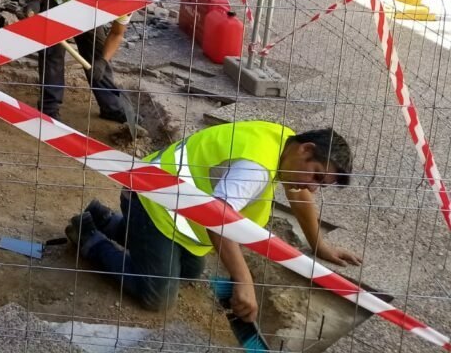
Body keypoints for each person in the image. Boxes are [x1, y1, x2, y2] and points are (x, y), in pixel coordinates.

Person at [66, 122, 360, 320]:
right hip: (152, 201)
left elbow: (299, 195)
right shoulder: (256, 168)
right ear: (306, 150)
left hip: (167, 202)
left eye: (322, 183)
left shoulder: (284, 141)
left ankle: (107, 220)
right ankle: (89, 236)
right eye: (317, 176)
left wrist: (320, 245)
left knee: (189, 273)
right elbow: (215, 217)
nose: (312, 187)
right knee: (157, 297)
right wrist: (243, 279)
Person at [32, 0, 137, 133]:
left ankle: (112, 107)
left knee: (97, 55)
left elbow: (117, 34)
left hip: (88, 9)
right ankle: (49, 109)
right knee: (53, 54)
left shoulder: (128, 0)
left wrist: (102, 62)